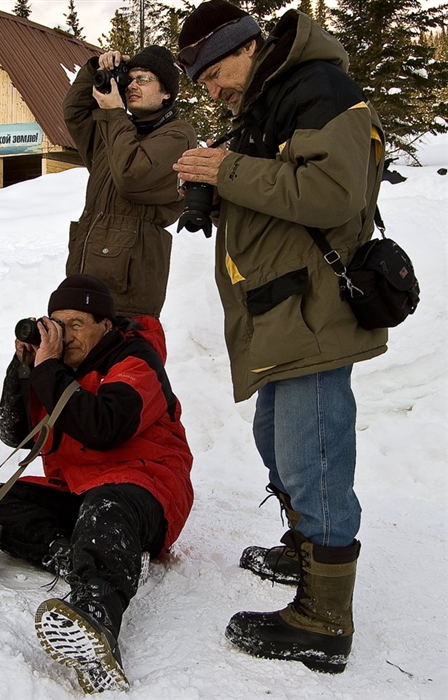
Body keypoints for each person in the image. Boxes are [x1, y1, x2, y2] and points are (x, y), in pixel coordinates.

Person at [173, 0, 387, 674]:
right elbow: (281, 184)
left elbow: (330, 193)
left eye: (211, 76)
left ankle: (325, 618)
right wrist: (220, 182)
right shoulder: (275, 99)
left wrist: (225, 172)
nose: (212, 92)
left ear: (244, 47)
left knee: (313, 455)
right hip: (283, 308)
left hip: (315, 309)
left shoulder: (322, 90)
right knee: (279, 441)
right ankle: (303, 547)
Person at [0, 274, 193, 693]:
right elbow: (15, 433)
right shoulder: (54, 368)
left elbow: (103, 427)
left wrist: (51, 369)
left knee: (107, 506)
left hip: (144, 486)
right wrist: (23, 371)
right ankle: (77, 557)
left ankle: (96, 617)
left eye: (77, 323)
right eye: (58, 323)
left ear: (105, 325)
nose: (65, 334)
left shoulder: (136, 360)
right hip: (77, 488)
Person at [63, 45, 197, 319]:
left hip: (127, 294)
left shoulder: (178, 136)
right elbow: (74, 113)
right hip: (85, 281)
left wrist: (115, 113)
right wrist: (95, 70)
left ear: (166, 93)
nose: (133, 86)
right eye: (130, 79)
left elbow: (131, 177)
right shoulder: (116, 132)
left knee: (125, 362)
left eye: (144, 79)